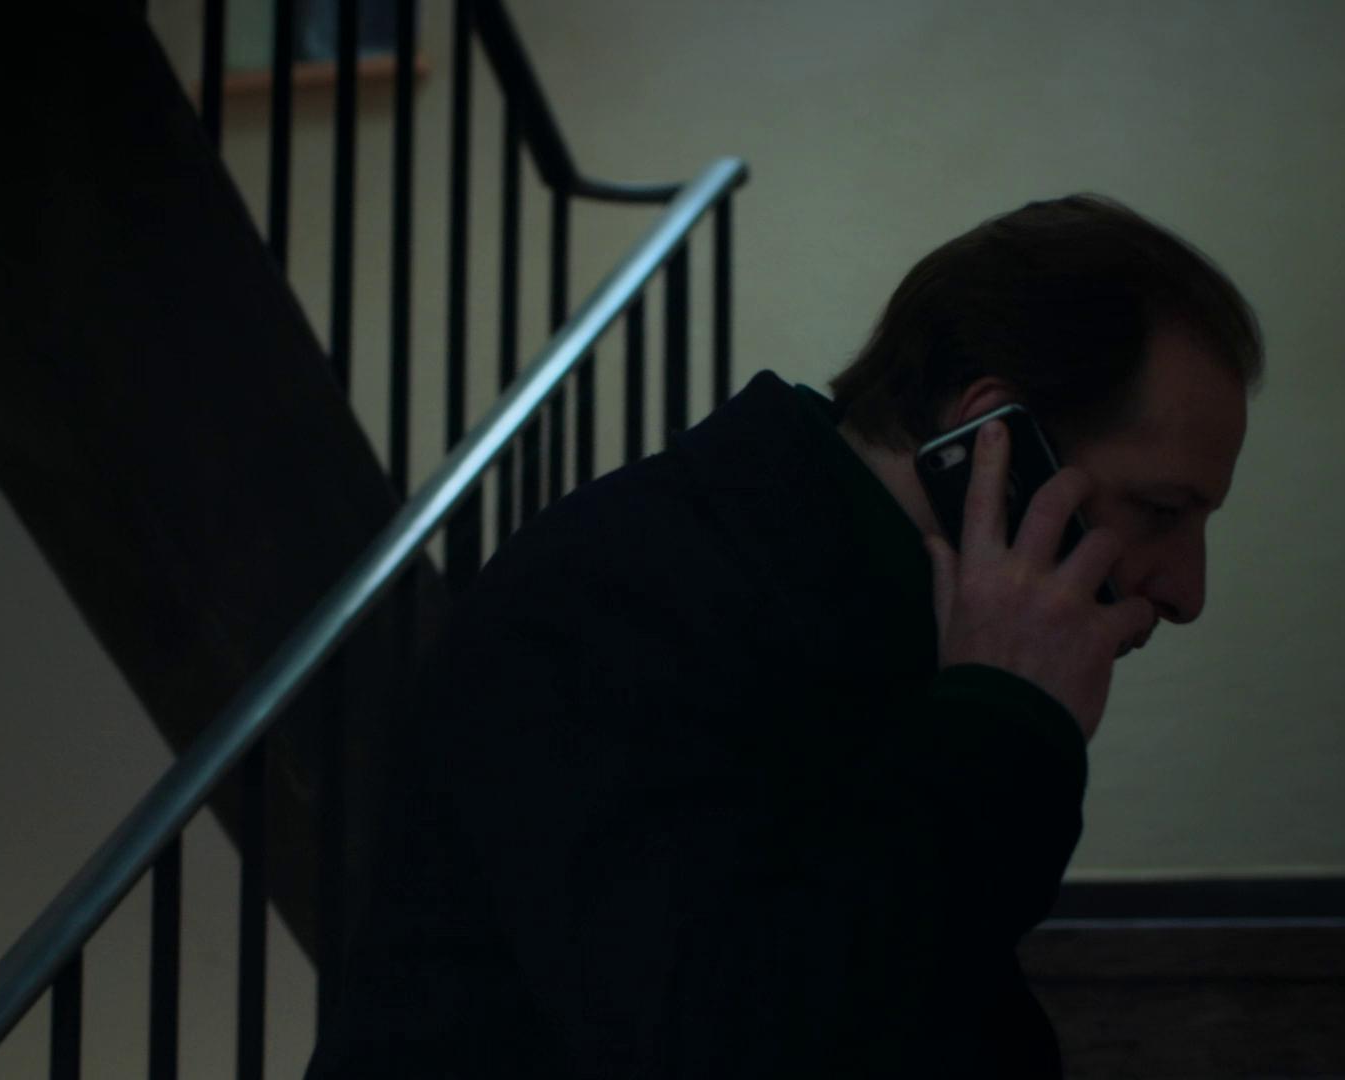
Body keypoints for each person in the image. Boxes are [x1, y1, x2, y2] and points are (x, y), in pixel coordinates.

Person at [306, 193, 1262, 1077]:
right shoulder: (624, 587)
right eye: (1161, 509)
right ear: (994, 438)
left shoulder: (884, 619)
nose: (1187, 592)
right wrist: (1003, 725)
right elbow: (727, 1037)